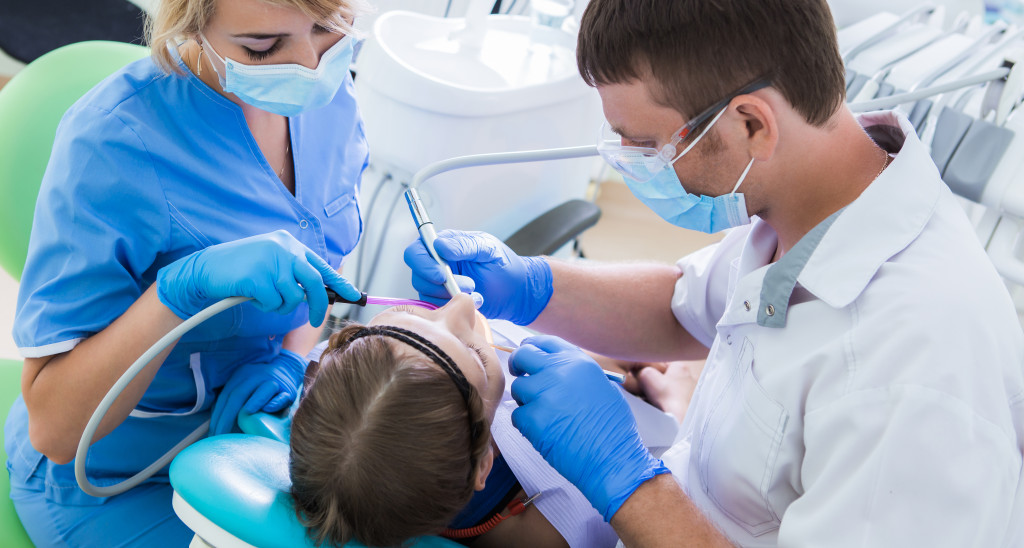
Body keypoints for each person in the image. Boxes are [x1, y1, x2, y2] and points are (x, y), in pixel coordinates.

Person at [404, 0, 1024, 546]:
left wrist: (625, 482)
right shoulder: (807, 205)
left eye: (646, 147)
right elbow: (686, 303)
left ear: (752, 124)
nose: (633, 167)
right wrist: (532, 284)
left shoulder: (911, 367)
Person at [5, 0, 369, 545]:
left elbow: (320, 258)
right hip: (114, 472)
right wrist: (175, 294)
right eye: (262, 48)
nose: (311, 66)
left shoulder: (332, 100)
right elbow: (55, 430)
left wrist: (291, 359)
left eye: (327, 28)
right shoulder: (113, 141)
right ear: (192, 23)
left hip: (252, 436)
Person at [289, 293, 680, 548]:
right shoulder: (569, 522)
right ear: (481, 464)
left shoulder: (344, 392)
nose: (462, 303)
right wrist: (678, 404)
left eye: (412, 314)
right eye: (475, 353)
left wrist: (601, 351)